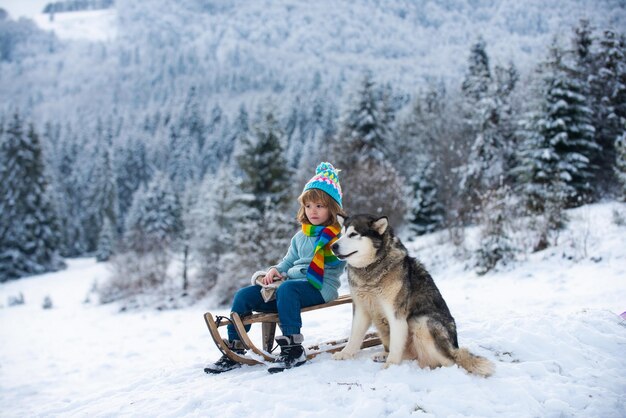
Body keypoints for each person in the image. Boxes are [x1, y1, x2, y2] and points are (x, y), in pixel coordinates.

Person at [204, 162, 347, 374]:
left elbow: (340, 261)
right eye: (308, 206)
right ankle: (236, 348)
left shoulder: (338, 236)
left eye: (319, 206)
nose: (312, 211)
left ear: (332, 208)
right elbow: (288, 262)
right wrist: (275, 270)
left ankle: (293, 348)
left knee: (288, 290)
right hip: (290, 288)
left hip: (320, 286)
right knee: (244, 295)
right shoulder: (301, 236)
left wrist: (332, 246)